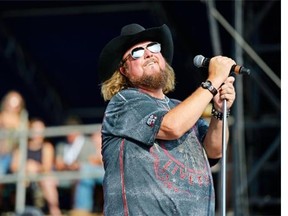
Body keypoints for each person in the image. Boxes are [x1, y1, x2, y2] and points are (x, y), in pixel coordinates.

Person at [97, 23, 236, 215]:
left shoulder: (181, 108)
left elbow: (214, 151)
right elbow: (172, 127)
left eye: (154, 47)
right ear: (124, 70)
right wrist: (213, 80)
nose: (148, 54)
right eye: (136, 52)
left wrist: (219, 112)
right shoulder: (123, 103)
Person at [10, 117, 62, 216]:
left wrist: (34, 167)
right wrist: (27, 167)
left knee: (48, 180)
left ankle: (55, 211)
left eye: (41, 129)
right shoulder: (21, 146)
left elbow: (46, 168)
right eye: (35, 129)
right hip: (25, 177)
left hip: (41, 177)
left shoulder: (47, 146)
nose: (38, 132)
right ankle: (19, 210)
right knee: (23, 177)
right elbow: (14, 166)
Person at [55, 116, 105, 214]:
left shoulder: (87, 143)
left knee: (84, 172)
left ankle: (82, 209)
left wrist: (79, 165)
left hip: (85, 173)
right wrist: (69, 166)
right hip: (67, 174)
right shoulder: (61, 145)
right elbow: (58, 163)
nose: (69, 134)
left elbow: (94, 161)